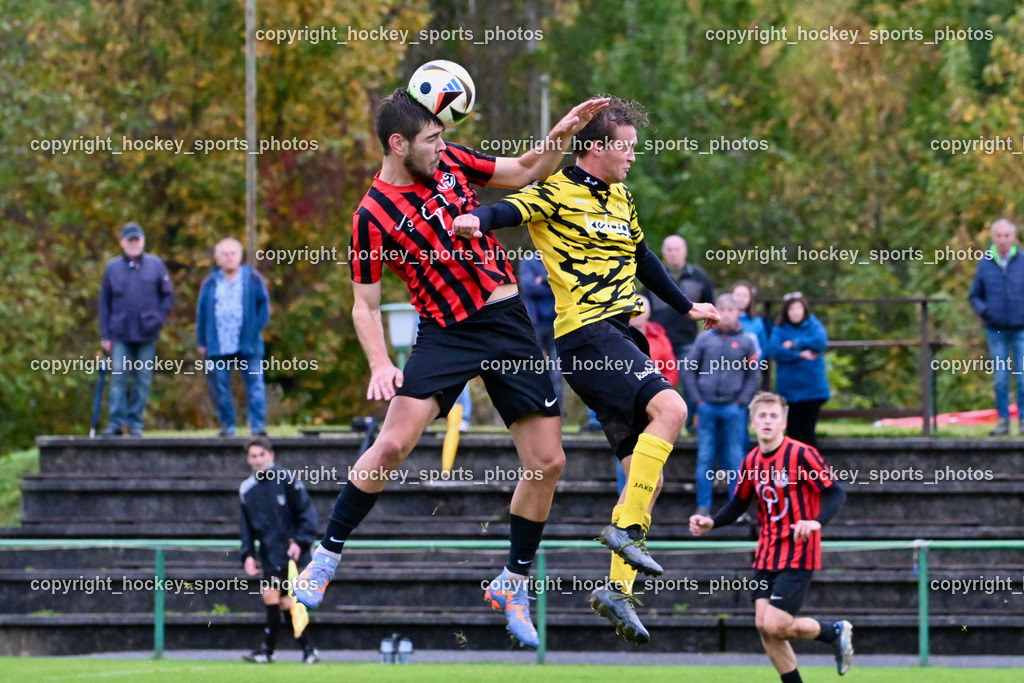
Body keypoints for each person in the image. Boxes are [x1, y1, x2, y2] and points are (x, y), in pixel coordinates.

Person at [293, 87, 608, 650]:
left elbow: (528, 170)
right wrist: (379, 363)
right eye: (431, 138)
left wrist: (560, 134)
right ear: (399, 144)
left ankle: (512, 582)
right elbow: (364, 305)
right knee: (391, 445)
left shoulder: (452, 160)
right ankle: (326, 556)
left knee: (548, 462)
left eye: (442, 136)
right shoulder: (371, 216)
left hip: (507, 323)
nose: (442, 145)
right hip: (445, 333)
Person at [452, 96, 720, 644]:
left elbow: (643, 258)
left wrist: (687, 306)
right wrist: (476, 218)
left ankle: (617, 590)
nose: (633, 158)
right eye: (627, 148)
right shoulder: (556, 190)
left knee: (649, 473)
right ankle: (623, 531)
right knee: (672, 409)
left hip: (621, 335)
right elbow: (508, 210)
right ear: (595, 147)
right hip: (587, 335)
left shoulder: (621, 197)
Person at [690, 392, 853, 682]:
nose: (767, 421)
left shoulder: (801, 454)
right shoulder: (751, 461)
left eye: (773, 416)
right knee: (764, 627)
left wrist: (816, 522)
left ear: (784, 422)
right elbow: (739, 503)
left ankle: (833, 631)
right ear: (752, 421)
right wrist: (711, 522)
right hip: (767, 553)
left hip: (798, 552)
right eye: (762, 416)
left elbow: (836, 492)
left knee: (775, 624)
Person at [239, 436, 321, 664]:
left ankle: (270, 650)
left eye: (262, 455)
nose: (258, 460)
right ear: (248, 459)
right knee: (280, 600)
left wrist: (300, 541)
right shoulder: (247, 489)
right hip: (270, 554)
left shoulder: (287, 479)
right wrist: (247, 554)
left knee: (281, 599)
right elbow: (246, 527)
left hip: (293, 554)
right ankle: (304, 649)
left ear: (271, 455)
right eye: (253, 456)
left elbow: (307, 514)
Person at [683, 293, 761, 516]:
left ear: (738, 313)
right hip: (706, 407)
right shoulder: (704, 339)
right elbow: (689, 369)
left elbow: (754, 375)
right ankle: (703, 507)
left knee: (735, 458)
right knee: (705, 457)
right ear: (716, 312)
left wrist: (742, 401)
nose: (726, 314)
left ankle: (736, 508)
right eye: (722, 310)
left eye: (730, 310)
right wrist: (697, 399)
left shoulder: (747, 341)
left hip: (734, 409)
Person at [98, 221, 174, 437]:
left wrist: (158, 319)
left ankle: (135, 423)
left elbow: (168, 296)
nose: (133, 244)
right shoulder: (112, 268)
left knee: (142, 379)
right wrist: (105, 334)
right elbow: (104, 303)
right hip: (120, 334)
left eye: (136, 240)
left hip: (147, 333)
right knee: (118, 378)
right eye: (129, 240)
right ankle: (115, 423)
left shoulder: (156, 265)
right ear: (122, 243)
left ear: (143, 241)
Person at [196, 238, 271, 437]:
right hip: (218, 344)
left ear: (239, 256)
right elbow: (201, 313)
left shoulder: (252, 278)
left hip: (249, 344)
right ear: (218, 259)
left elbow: (264, 308)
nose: (229, 258)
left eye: (233, 253)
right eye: (225, 254)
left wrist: (253, 330)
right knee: (220, 387)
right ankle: (227, 425)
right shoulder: (210, 283)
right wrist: (202, 341)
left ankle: (257, 426)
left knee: (255, 385)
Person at [643, 235, 715, 434]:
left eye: (677, 249)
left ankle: (692, 425)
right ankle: (654, 423)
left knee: (690, 382)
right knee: (654, 383)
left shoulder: (698, 277)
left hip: (687, 341)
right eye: (669, 249)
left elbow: (710, 305)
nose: (673, 253)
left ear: (685, 251)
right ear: (663, 254)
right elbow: (643, 308)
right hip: (658, 342)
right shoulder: (653, 274)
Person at [969, 218, 1024, 435]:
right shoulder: (985, 264)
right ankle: (1003, 421)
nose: (1003, 240)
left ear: (1013, 237)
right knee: (1001, 378)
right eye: (999, 236)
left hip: (1020, 328)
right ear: (993, 237)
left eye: (1006, 235)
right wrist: (985, 312)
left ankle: (1023, 421)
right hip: (996, 329)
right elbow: (974, 296)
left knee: (1022, 377)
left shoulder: (1022, 261)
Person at [765, 292, 829, 448]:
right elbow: (774, 350)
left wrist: (795, 343)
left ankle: (811, 463)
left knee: (808, 432)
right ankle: (792, 463)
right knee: (792, 432)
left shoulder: (814, 325)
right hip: (789, 390)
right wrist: (799, 354)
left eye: (798, 308)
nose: (795, 312)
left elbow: (820, 342)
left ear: (804, 309)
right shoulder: (779, 329)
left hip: (812, 390)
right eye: (791, 309)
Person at [519, 252, 563, 405]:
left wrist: (542, 280)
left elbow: (564, 287)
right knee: (532, 369)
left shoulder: (557, 258)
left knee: (556, 373)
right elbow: (528, 287)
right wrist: (551, 283)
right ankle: (533, 409)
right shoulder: (528, 260)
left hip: (557, 324)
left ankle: (557, 411)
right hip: (535, 324)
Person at [730, 280, 768, 358]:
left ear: (750, 299)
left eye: (745, 296)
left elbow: (763, 348)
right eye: (738, 295)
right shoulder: (721, 320)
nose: (740, 299)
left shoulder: (757, 322)